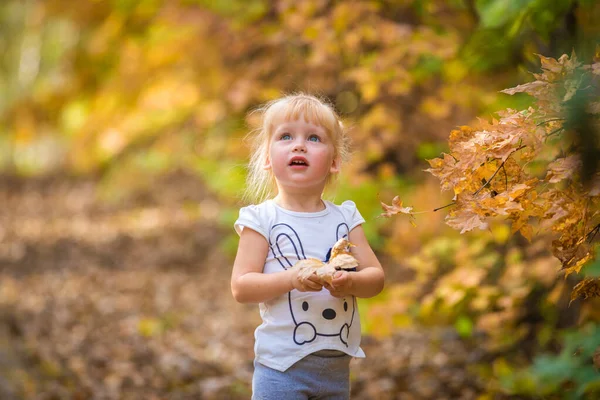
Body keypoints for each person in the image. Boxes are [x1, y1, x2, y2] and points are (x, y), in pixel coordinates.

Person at [231, 93, 384, 400]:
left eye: (314, 138)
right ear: (266, 158)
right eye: (285, 136)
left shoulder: (345, 218)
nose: (299, 145)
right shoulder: (262, 219)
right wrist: (291, 279)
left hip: (337, 370)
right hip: (281, 368)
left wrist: (352, 282)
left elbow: (376, 278)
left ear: (334, 161)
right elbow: (241, 287)